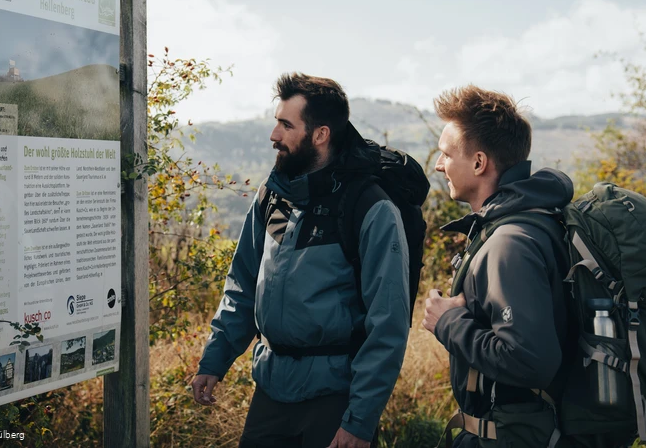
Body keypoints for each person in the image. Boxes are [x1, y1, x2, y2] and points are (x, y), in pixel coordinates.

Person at [191, 73, 411, 448]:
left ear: (320, 134)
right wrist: (215, 359)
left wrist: (359, 421)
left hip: (334, 399)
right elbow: (243, 283)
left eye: (285, 125)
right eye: (277, 122)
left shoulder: (369, 208)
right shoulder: (275, 197)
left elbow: (388, 324)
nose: (274, 135)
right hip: (271, 391)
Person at [422, 85, 574, 447]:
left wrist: (447, 322)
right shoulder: (535, 220)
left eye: (445, 155)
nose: (439, 164)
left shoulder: (509, 244)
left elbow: (531, 361)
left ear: (478, 162)